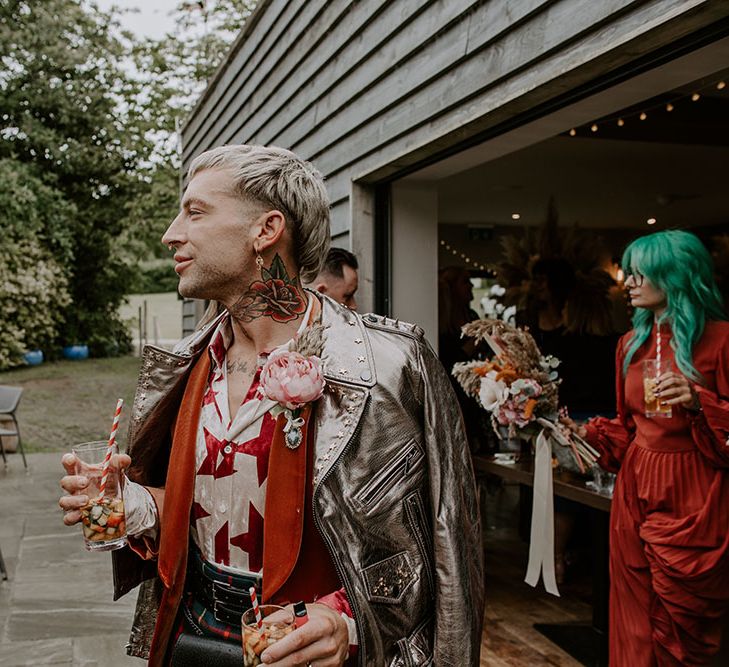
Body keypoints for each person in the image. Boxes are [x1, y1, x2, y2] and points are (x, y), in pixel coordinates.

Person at [58, 144, 483, 666]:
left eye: (195, 212)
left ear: (266, 230)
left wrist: (347, 621)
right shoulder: (185, 365)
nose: (171, 234)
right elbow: (207, 509)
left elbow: (446, 550)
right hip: (191, 638)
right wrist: (134, 501)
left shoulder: (390, 367)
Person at [563, 229, 729, 666]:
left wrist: (699, 401)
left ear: (675, 277)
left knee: (683, 621)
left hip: (694, 491)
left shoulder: (722, 341)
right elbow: (629, 427)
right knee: (635, 615)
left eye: (640, 274)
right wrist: (587, 434)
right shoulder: (629, 345)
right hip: (637, 487)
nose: (629, 283)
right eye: (629, 274)